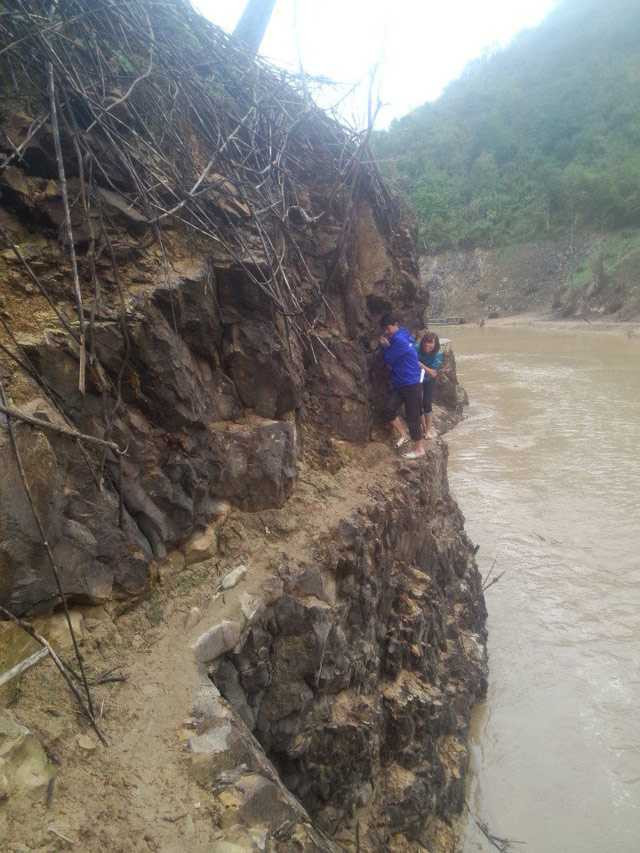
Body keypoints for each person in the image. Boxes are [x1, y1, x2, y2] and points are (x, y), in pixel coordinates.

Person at [379, 313, 425, 459]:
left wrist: (385, 347)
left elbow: (389, 358)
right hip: (401, 383)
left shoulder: (399, 340)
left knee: (413, 417)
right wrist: (389, 344)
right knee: (389, 410)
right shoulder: (403, 334)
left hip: (411, 383)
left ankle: (419, 449)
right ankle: (404, 435)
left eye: (388, 328)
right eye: (385, 329)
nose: (386, 331)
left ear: (395, 325)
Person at [415, 332, 443, 439]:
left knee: (427, 403)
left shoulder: (438, 354)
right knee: (417, 403)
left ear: (435, 345)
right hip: (415, 378)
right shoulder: (416, 348)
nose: (428, 345)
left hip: (429, 380)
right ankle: (423, 427)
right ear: (422, 342)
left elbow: (433, 373)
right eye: (426, 342)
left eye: (431, 343)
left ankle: (428, 430)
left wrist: (420, 365)